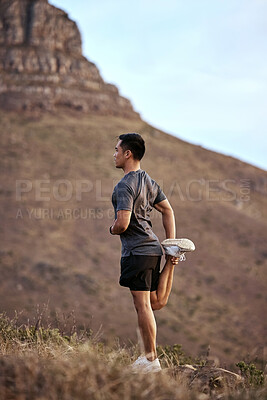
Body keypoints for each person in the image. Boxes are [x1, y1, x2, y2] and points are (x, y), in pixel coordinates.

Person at [110, 133, 192, 373]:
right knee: (155, 302)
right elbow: (168, 210)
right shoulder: (148, 181)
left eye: (116, 150)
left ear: (128, 154)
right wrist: (170, 241)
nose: (113, 154)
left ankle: (149, 360)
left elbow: (122, 224)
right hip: (153, 249)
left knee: (142, 305)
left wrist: (112, 228)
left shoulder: (124, 185)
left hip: (136, 251)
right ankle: (172, 259)